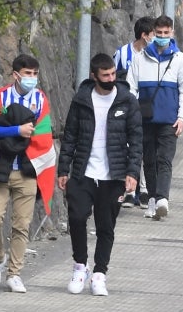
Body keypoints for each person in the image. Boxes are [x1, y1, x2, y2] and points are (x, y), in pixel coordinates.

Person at [0, 54, 56, 294]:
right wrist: (17, 129)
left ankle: (14, 273)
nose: (32, 79)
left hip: (27, 170)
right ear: (16, 75)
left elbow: (45, 134)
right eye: (28, 74)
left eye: (35, 74)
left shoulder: (40, 99)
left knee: (22, 224)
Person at [57, 53, 142, 296]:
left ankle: (99, 274)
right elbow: (70, 136)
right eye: (105, 75)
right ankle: (80, 266)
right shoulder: (82, 100)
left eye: (113, 74)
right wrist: (64, 169)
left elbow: (136, 140)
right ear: (94, 76)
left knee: (106, 226)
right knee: (77, 217)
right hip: (84, 171)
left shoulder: (127, 101)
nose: (111, 79)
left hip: (113, 174)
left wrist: (132, 173)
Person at [126, 15, 183, 220]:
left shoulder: (180, 59)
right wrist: (134, 114)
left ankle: (163, 198)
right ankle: (153, 199)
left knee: (164, 159)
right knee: (149, 161)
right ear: (153, 34)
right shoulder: (140, 58)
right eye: (159, 33)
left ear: (172, 33)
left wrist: (182, 118)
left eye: (166, 33)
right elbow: (131, 88)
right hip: (145, 120)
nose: (163, 37)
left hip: (169, 120)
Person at [114, 16, 155, 208]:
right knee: (129, 147)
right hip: (127, 108)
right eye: (153, 33)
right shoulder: (122, 53)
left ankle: (144, 190)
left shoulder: (154, 54)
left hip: (147, 108)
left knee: (145, 147)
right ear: (144, 35)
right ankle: (129, 190)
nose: (156, 37)